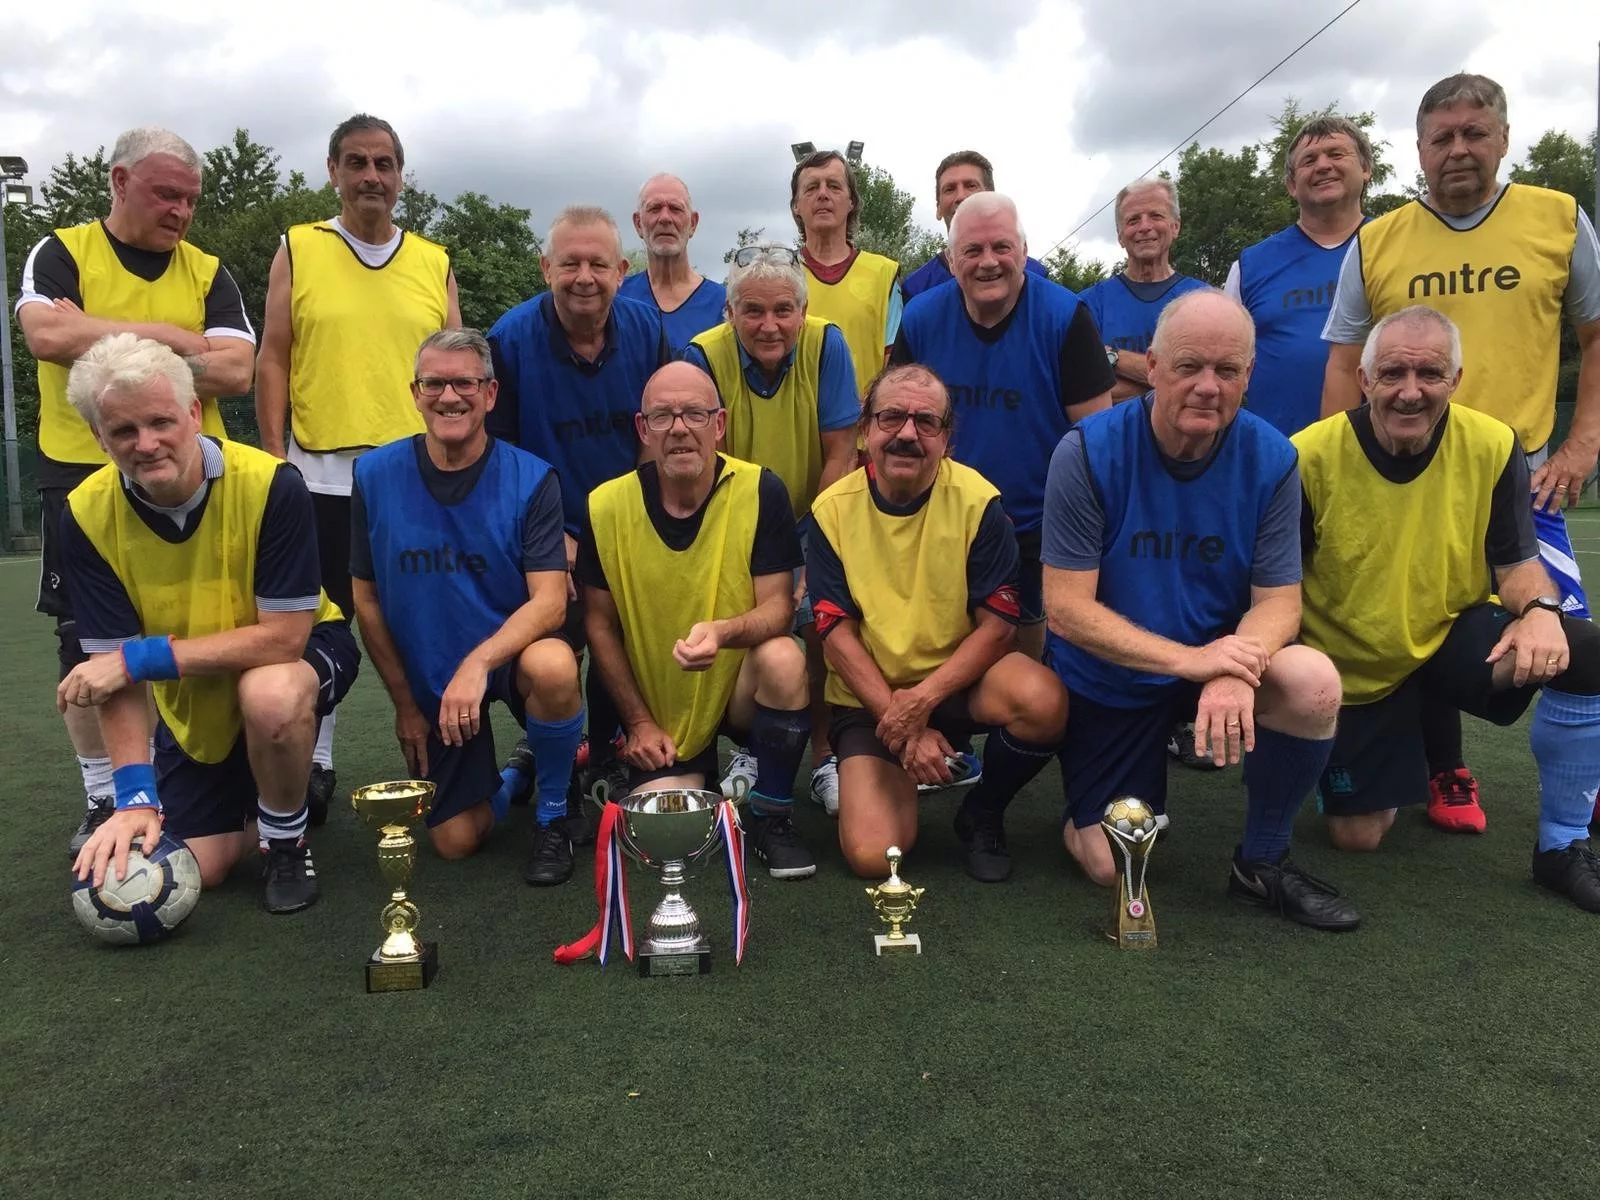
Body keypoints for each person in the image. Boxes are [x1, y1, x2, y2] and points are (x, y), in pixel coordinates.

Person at [1320, 72, 1600, 835]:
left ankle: (1573, 816)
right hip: (1402, 480)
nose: (1458, 150)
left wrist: (1582, 442)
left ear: (1504, 140)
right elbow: (1346, 362)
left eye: (1475, 133)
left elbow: (1596, 333)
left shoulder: (1559, 218)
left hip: (1522, 481)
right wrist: (1343, 471)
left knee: (1570, 646)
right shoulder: (1376, 239)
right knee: (1399, 616)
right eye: (1441, 137)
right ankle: (1439, 766)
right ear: (1418, 150)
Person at [1042, 290, 1358, 931]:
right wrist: (1195, 661)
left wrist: (1230, 668)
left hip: (1215, 664)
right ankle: (1100, 790)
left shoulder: (1273, 458)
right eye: (1190, 367)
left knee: (1313, 683)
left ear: (1250, 374)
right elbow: (1067, 610)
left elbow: (1280, 603)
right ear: (1152, 367)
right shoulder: (1087, 451)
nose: (1208, 387)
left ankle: (1262, 863)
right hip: (1116, 677)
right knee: (1107, 862)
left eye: (1228, 369)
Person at [1296, 307, 1600, 912]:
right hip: (1354, 665)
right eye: (1393, 374)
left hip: (1449, 635)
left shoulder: (1493, 442)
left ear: (1455, 380)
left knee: (1584, 652)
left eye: (1430, 374)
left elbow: (1514, 561)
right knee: (1357, 838)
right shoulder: (1308, 455)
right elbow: (1277, 585)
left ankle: (1560, 847)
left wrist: (1541, 609)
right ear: (1364, 379)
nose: (1411, 391)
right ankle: (1405, 737)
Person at [15, 126, 257, 858]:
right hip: (82, 474)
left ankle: (241, 776)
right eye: (165, 193)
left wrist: (103, 338)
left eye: (190, 198)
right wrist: (168, 337)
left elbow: (238, 371)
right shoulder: (61, 250)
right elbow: (46, 339)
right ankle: (105, 794)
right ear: (119, 182)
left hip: (195, 473)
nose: (181, 210)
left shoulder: (209, 271)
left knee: (222, 618)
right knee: (87, 642)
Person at [61, 334, 356, 913]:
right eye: (123, 431)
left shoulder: (272, 483)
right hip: (195, 682)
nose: (147, 444)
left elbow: (282, 638)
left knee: (269, 695)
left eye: (160, 421)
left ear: (193, 412)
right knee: (206, 864)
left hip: (299, 652)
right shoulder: (84, 513)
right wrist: (135, 800)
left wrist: (139, 660)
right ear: (100, 437)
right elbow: (111, 675)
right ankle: (278, 792)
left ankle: (285, 838)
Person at [255, 113, 459, 826]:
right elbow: (274, 353)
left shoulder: (434, 261)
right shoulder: (300, 248)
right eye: (357, 162)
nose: (371, 175)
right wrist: (275, 459)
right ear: (334, 170)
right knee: (317, 625)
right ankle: (315, 763)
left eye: (384, 163)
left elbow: (455, 369)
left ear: (402, 177)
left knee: (421, 621)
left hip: (413, 478)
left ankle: (447, 754)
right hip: (317, 475)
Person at [809, 364, 1069, 882]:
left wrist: (922, 704)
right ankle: (908, 771)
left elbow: (998, 627)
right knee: (872, 855)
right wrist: (905, 729)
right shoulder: (830, 510)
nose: (907, 433)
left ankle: (984, 812)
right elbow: (836, 638)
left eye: (926, 422)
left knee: (1043, 700)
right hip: (870, 698)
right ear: (865, 430)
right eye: (891, 417)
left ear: (946, 439)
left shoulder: (979, 503)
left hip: (956, 684)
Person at [349, 330, 584, 882]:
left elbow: (550, 602)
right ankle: (516, 774)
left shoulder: (531, 477)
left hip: (506, 656)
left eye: (465, 383)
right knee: (454, 841)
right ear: (415, 391)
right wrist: (406, 705)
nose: (449, 395)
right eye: (435, 382)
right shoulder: (374, 475)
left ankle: (552, 814)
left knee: (552, 665)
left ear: (491, 393)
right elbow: (366, 598)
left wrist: (478, 663)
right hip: (434, 675)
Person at [577, 362, 817, 879]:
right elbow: (599, 625)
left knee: (784, 657)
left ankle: (772, 814)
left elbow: (778, 607)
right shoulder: (606, 505)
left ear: (720, 424)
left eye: (694, 414)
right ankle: (691, 772)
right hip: (660, 709)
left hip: (736, 687)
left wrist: (724, 631)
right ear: (643, 429)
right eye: (663, 416)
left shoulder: (760, 490)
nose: (680, 427)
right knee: (657, 837)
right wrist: (638, 723)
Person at [486, 205, 670, 816]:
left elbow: (658, 427)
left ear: (623, 270)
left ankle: (614, 751)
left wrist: (639, 520)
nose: (584, 276)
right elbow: (500, 456)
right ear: (546, 268)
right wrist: (551, 545)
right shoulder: (509, 341)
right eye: (570, 263)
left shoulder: (648, 330)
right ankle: (552, 760)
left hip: (626, 518)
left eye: (598, 263)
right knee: (554, 649)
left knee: (631, 634)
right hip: (547, 531)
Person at [892, 193, 1115, 660]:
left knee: (1031, 666)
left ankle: (1023, 732)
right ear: (952, 261)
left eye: (1001, 247)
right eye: (972, 251)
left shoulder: (1066, 316)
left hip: (1041, 525)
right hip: (945, 520)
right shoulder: (921, 317)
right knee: (940, 650)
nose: (987, 262)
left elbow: (1099, 443)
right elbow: (899, 424)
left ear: (1025, 251)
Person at [682, 244, 859, 814]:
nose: (769, 325)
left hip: (815, 512)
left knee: (820, 624)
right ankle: (751, 748)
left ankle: (825, 755)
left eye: (784, 310)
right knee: (741, 624)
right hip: (734, 515)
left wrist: (812, 545)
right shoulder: (703, 356)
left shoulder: (827, 343)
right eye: (752, 311)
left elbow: (840, 452)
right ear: (729, 314)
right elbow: (714, 458)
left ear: (802, 312)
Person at [1224, 116, 1373, 438]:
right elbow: (1222, 362)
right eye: (1309, 160)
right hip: (1277, 458)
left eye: (1336, 154)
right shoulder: (1250, 266)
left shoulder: (1395, 248)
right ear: (1292, 185)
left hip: (1385, 457)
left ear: (1366, 168)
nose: (1323, 166)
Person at [1079, 179, 1208, 402]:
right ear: (1120, 236)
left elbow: (1206, 381)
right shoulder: (1087, 305)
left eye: (1156, 216)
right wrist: (1175, 382)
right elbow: (1081, 390)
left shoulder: (1205, 300)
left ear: (1175, 226)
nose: (1144, 227)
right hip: (1114, 434)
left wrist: (1112, 357)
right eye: (1133, 220)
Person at [791, 149, 901, 394]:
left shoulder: (884, 274)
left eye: (833, 186)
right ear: (796, 205)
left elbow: (893, 367)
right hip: (794, 430)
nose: (822, 194)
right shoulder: (780, 274)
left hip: (862, 429)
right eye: (811, 188)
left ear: (851, 201)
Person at [900, 151, 1051, 300]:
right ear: (938, 208)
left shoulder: (1035, 275)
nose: (961, 196)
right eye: (950, 189)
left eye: (971, 185)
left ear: (992, 198)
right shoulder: (916, 289)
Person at [619, 174, 726, 352]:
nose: (665, 218)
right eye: (654, 208)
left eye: (675, 209)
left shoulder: (724, 304)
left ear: (693, 223)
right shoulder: (616, 298)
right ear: (638, 224)